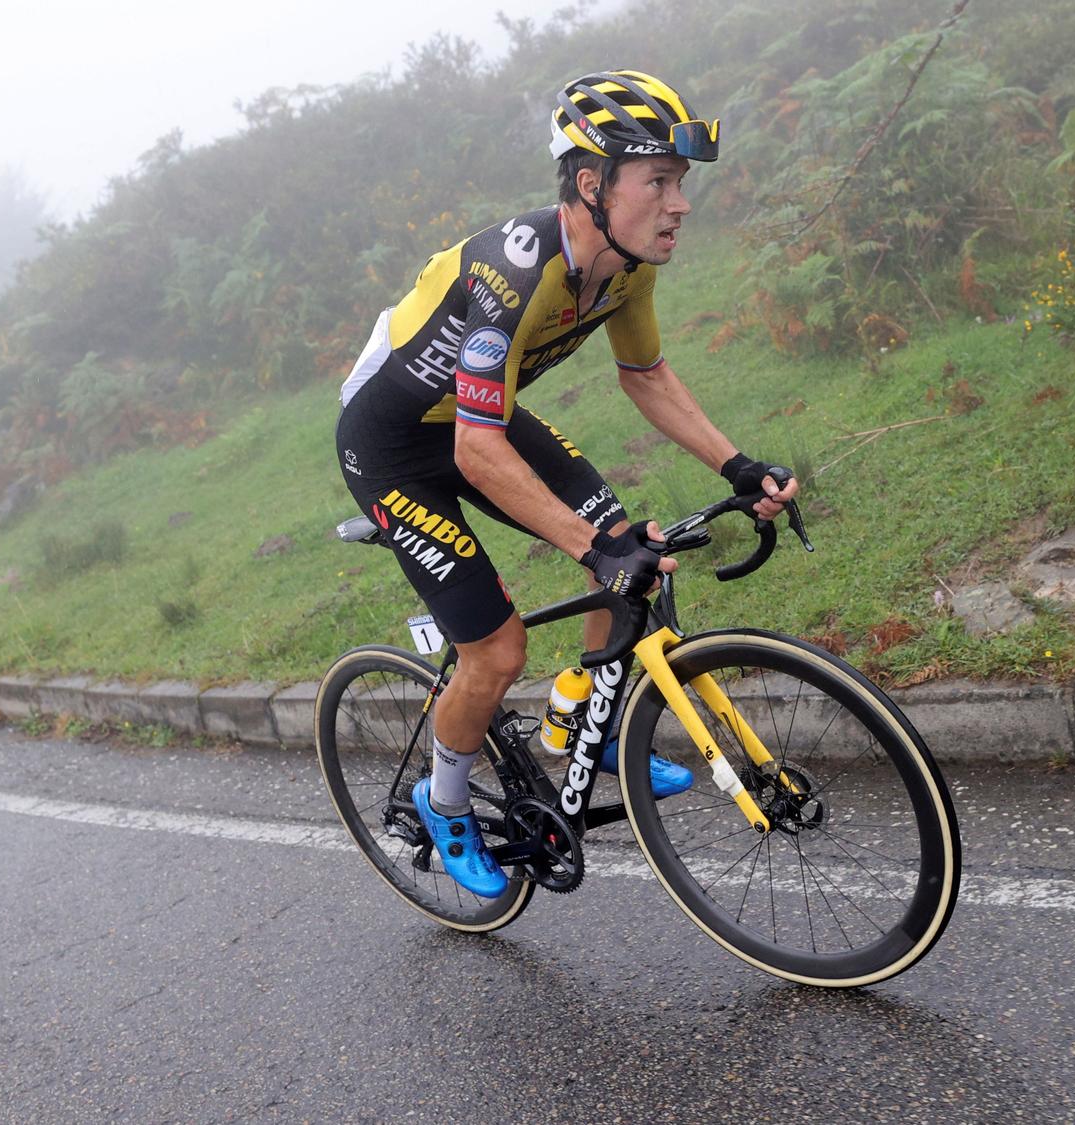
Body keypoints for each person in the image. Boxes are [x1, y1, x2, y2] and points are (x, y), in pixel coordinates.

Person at [334, 70, 800, 898]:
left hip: (479, 418)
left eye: (680, 184)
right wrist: (592, 543)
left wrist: (737, 464)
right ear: (593, 185)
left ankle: (575, 723)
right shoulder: (512, 270)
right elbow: (477, 453)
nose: (679, 204)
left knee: (628, 555)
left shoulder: (627, 267)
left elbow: (647, 374)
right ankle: (443, 805)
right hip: (394, 447)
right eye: (658, 181)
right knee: (498, 648)